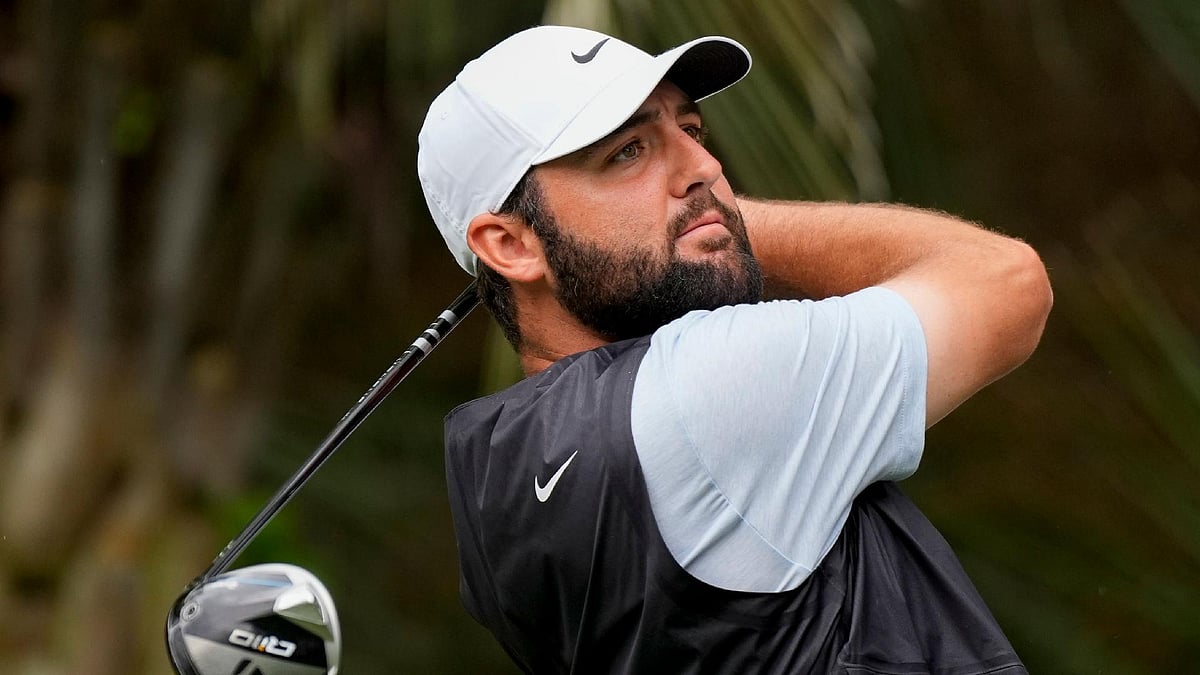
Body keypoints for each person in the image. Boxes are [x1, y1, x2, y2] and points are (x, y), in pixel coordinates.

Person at [418, 25, 1051, 675]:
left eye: (690, 132)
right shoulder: (702, 387)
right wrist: (719, 219)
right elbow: (1006, 282)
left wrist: (692, 219)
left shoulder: (494, 478)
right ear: (511, 245)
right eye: (629, 150)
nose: (708, 170)